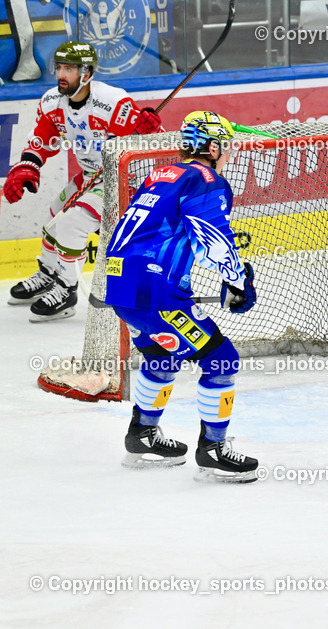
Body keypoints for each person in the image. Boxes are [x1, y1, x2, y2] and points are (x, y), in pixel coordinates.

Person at [104, 111, 259, 484]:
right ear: (211, 146)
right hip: (156, 291)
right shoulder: (207, 179)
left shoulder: (161, 175)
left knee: (161, 354)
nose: (229, 155)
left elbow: (174, 234)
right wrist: (238, 279)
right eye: (225, 147)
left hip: (121, 285)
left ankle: (142, 435)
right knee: (222, 360)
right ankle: (213, 450)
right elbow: (213, 236)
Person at [3, 41, 162, 321]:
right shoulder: (53, 101)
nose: (61, 74)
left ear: (87, 73)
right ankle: (49, 273)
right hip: (91, 176)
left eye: (69, 69)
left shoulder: (113, 103)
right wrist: (27, 166)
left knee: (70, 224)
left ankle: (66, 290)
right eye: (60, 68)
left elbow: (155, 140)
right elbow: (42, 140)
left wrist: (149, 131)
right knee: (54, 216)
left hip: (122, 180)